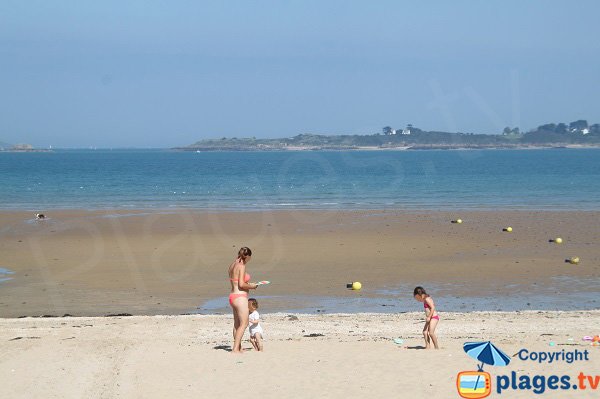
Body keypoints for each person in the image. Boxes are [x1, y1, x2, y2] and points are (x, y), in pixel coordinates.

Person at [228, 247, 258, 353]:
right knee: (244, 323)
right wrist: (252, 286)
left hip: (232, 296)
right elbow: (241, 284)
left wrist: (247, 284)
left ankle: (238, 347)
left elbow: (236, 281)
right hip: (240, 297)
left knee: (237, 324)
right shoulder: (241, 266)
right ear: (248, 256)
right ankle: (235, 349)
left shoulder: (232, 265)